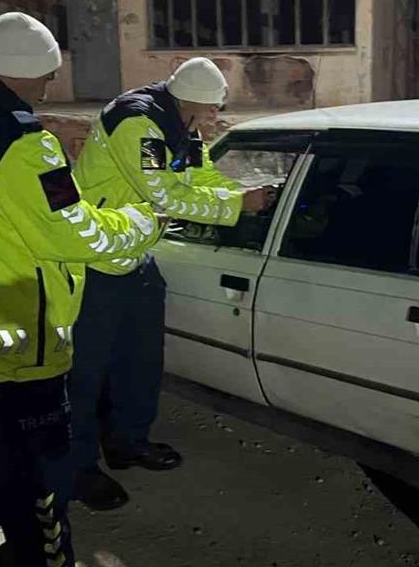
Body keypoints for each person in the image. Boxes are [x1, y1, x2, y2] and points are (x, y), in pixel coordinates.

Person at [0, 12, 163, 567]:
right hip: (18, 358)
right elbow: (75, 233)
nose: (47, 88)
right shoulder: (23, 143)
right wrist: (145, 220)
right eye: (47, 77)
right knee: (38, 504)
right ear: (27, 73)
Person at [67, 57, 275, 510]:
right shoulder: (138, 124)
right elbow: (164, 194)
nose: (216, 119)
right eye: (213, 110)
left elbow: (197, 174)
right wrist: (237, 207)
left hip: (135, 256)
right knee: (84, 376)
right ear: (194, 102)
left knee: (140, 361)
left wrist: (240, 195)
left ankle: (128, 443)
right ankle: (78, 469)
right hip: (95, 260)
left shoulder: (180, 122)